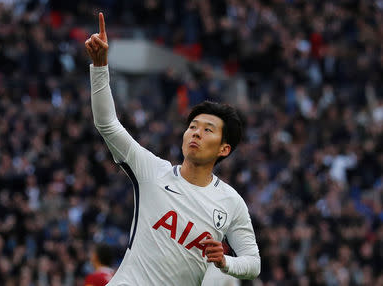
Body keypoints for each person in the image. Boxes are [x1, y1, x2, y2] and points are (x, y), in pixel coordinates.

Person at [85, 12, 260, 285]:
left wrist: (226, 262)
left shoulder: (231, 202)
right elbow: (107, 123)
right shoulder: (152, 170)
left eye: (207, 130)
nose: (196, 133)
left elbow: (253, 263)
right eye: (193, 126)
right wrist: (99, 67)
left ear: (224, 149)